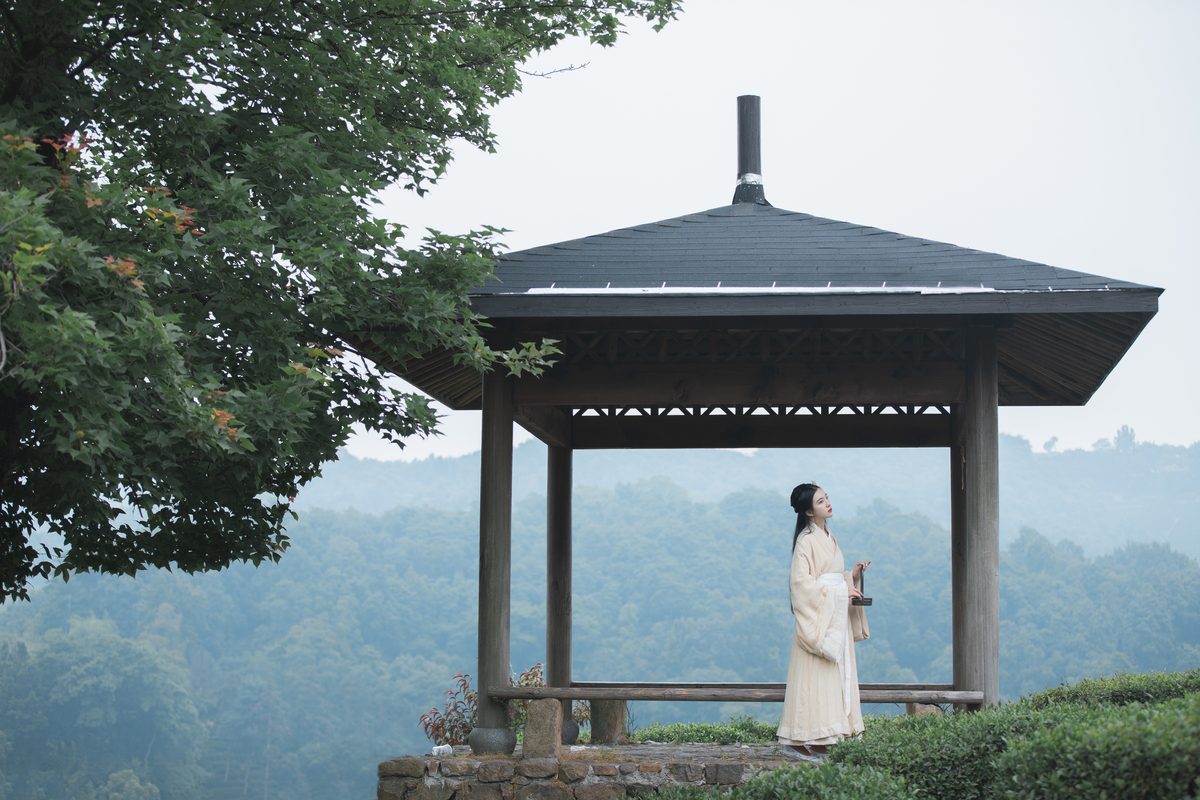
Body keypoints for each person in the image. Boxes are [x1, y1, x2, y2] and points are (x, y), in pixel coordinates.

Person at [777, 483, 870, 762]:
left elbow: (831, 576)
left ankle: (830, 735)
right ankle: (805, 738)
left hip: (834, 618)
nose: (828, 503)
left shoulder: (829, 536)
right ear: (808, 511)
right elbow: (801, 585)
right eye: (820, 501)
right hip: (820, 623)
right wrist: (842, 590)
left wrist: (851, 576)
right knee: (815, 680)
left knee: (833, 679)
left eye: (826, 497)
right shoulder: (806, 541)